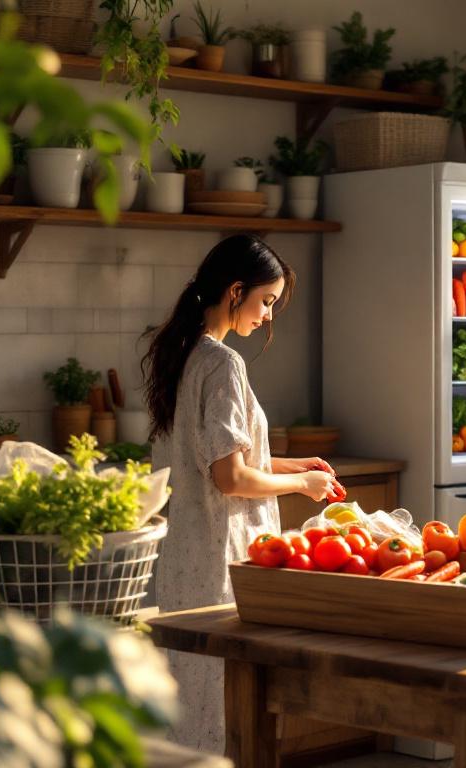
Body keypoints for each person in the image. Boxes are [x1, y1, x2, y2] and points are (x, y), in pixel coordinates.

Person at [143, 234, 339, 751]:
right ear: (235, 291)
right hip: (220, 559)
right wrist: (303, 484)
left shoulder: (180, 353)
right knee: (224, 706)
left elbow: (215, 458)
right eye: (266, 301)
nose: (269, 315)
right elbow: (229, 479)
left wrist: (291, 463)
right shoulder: (224, 364)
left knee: (185, 699)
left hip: (182, 556)